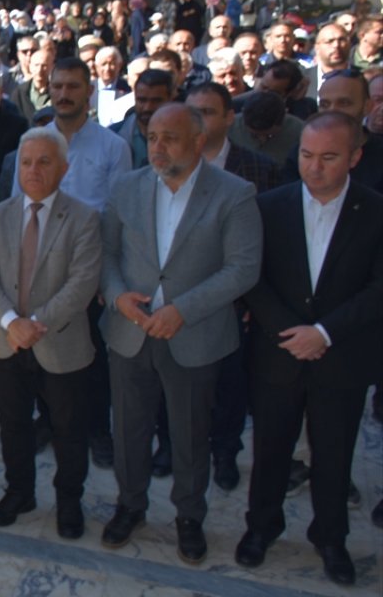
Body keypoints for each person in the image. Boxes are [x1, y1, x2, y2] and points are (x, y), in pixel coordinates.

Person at [99, 103, 262, 564]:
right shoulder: (125, 187)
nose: (157, 147)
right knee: (128, 429)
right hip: (130, 331)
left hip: (194, 335)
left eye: (169, 138)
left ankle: (189, 517)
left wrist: (182, 311)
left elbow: (243, 268)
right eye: (151, 137)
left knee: (190, 434)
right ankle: (130, 505)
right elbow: (106, 254)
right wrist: (117, 297)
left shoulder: (233, 193)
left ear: (197, 140)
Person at [237, 111, 383, 587]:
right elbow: (252, 279)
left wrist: (323, 333)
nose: (313, 167)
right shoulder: (269, 206)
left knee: (335, 454)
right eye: (306, 155)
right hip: (278, 353)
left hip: (340, 356)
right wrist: (292, 333)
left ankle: (331, 537)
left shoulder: (375, 211)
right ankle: (261, 528)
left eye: (328, 157)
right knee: (271, 450)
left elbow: (377, 289)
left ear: (355, 157)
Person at [0, 127, 101, 540]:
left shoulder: (84, 217)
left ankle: (69, 502)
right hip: (5, 340)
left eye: (45, 161)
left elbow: (83, 283)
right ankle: (19, 493)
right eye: (27, 161)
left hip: (60, 341)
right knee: (13, 424)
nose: (34, 170)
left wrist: (35, 324)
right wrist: (12, 322)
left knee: (68, 429)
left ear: (64, 168)